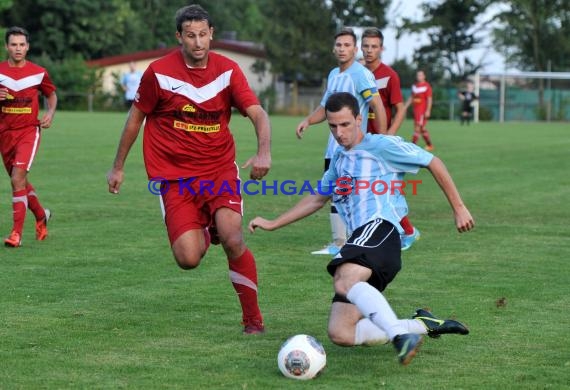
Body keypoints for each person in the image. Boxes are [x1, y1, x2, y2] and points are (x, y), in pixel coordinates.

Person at [250, 92, 474, 365]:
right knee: (341, 332)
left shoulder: (382, 146)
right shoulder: (340, 161)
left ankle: (398, 337)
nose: (339, 132)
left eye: (345, 124)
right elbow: (317, 198)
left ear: (359, 119)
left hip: (381, 229)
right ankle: (421, 326)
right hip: (364, 241)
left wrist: (459, 207)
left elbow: (432, 162)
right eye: (333, 126)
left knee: (344, 278)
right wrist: (273, 223)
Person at [106, 5, 271, 334]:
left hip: (219, 170)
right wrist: (118, 167)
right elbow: (135, 119)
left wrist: (264, 150)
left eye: (203, 35)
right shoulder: (158, 73)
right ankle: (208, 230)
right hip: (174, 177)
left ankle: (253, 319)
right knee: (188, 259)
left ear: (212, 33)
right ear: (179, 37)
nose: (198, 42)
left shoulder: (228, 70)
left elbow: (257, 112)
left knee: (234, 238)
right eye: (190, 36)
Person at [295, 27, 387, 256]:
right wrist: (308, 120)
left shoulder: (361, 74)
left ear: (355, 49)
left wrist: (382, 142)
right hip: (333, 148)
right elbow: (326, 108)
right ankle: (340, 243)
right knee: (337, 195)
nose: (342, 49)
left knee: (352, 195)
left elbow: (377, 106)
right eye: (339, 45)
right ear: (333, 49)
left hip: (354, 149)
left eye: (347, 45)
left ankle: (353, 243)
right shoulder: (334, 74)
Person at [361, 28, 419, 251]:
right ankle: (381, 231)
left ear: (381, 48)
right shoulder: (357, 71)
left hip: (380, 141)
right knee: (365, 186)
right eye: (366, 46)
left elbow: (400, 108)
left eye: (374, 46)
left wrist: (389, 135)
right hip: (360, 141)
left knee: (386, 188)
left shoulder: (389, 75)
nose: (369, 50)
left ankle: (408, 230)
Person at [0, 26, 56, 248]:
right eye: (13, 44)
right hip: (4, 134)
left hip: (28, 132)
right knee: (20, 181)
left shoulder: (38, 72)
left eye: (22, 44)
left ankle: (16, 234)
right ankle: (41, 215)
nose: (18, 48)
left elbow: (51, 94)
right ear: (6, 47)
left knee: (16, 179)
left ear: (28, 47)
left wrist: (50, 113)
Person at [404, 70, 434, 151]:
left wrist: (428, 110)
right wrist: (404, 107)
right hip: (416, 110)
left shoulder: (427, 86)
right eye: (418, 75)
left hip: (422, 111)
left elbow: (429, 99)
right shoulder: (415, 86)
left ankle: (412, 146)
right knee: (422, 128)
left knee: (418, 128)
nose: (419, 77)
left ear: (424, 76)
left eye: (421, 75)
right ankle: (430, 145)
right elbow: (411, 98)